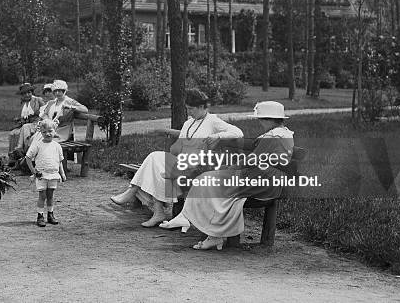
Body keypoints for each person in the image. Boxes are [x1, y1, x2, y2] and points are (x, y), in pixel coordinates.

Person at [160, 101, 294, 250]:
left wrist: (233, 166)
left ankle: (209, 230)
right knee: (207, 180)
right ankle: (202, 227)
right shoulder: (281, 133)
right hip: (265, 177)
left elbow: (254, 159)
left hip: (265, 180)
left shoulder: (274, 135)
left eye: (261, 119)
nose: (260, 122)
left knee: (208, 181)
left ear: (268, 119)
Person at [110, 88, 244, 227]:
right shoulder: (188, 123)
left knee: (157, 168)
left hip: (197, 166)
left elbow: (238, 132)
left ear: (202, 107)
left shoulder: (212, 121)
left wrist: (217, 136)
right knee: (154, 158)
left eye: (192, 109)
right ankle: (153, 208)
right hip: (181, 161)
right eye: (188, 109)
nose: (190, 112)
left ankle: (138, 195)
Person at [25, 119, 67, 227]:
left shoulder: (57, 146)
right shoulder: (38, 145)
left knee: (50, 195)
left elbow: (59, 161)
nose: (47, 134)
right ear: (41, 133)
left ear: (54, 131)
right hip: (42, 175)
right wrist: (34, 171)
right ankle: (40, 215)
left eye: (50, 131)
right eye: (44, 132)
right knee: (42, 195)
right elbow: (28, 157)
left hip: (53, 174)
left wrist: (62, 174)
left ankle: (50, 214)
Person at [8, 83, 45, 153]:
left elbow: (46, 111)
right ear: (22, 95)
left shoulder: (38, 100)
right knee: (13, 133)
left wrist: (38, 114)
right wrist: (18, 119)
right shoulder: (23, 103)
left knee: (24, 129)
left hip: (37, 123)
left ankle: (24, 151)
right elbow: (23, 116)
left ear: (32, 92)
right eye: (24, 93)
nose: (27, 95)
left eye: (29, 92)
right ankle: (13, 155)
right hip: (26, 124)